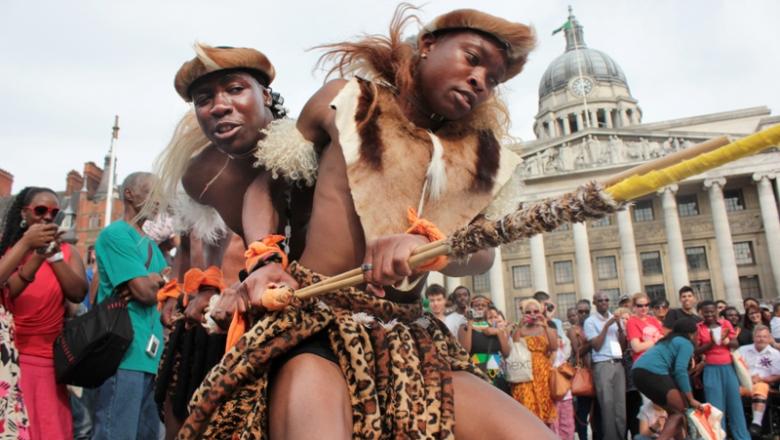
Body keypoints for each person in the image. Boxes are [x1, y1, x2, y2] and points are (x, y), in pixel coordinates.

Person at [179, 6, 554, 439]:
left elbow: (482, 253)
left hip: (411, 336)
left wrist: (432, 247)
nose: (480, 80)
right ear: (428, 45)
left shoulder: (483, 158)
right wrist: (264, 260)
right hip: (315, 321)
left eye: (494, 78)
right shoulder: (346, 99)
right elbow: (267, 185)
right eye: (472, 58)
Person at [0, 186, 88, 439]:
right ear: (24, 214)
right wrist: (29, 245)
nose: (47, 217)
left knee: (51, 430)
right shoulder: (9, 252)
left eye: (54, 212)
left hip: (49, 362)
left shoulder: (68, 253)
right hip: (12, 360)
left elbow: (77, 293)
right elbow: (8, 290)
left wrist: (52, 255)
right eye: (40, 210)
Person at [92, 173, 169, 440]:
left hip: (150, 356)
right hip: (122, 352)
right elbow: (146, 293)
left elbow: (171, 288)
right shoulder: (116, 234)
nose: (157, 200)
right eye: (150, 192)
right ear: (129, 194)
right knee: (116, 433)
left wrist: (156, 281)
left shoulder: (151, 246)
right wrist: (156, 282)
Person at [632, 318, 701, 440]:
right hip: (653, 372)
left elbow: (675, 373)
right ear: (693, 333)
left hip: (637, 373)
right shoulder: (686, 343)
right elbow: (680, 371)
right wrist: (691, 399)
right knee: (680, 411)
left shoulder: (668, 340)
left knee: (675, 412)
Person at [694, 300, 749, 440]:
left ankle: (742, 437)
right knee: (716, 409)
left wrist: (725, 341)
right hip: (711, 370)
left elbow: (735, 343)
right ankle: (719, 437)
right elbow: (696, 350)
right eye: (706, 312)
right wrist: (711, 343)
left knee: (735, 406)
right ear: (701, 313)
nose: (710, 314)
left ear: (717, 312)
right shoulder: (698, 328)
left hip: (728, 368)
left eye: (712, 311)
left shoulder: (725, 324)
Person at [584, 291, 627, 439]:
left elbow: (622, 345)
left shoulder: (614, 318)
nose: (604, 302)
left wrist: (620, 328)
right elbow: (595, 345)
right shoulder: (590, 321)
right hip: (602, 364)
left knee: (620, 407)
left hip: (617, 363)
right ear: (595, 303)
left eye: (606, 300)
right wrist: (606, 327)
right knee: (607, 406)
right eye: (600, 300)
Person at [511, 299, 557, 425]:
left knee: (544, 405)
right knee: (526, 405)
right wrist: (519, 327)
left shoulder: (545, 328)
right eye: (528, 312)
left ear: (541, 311)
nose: (532, 314)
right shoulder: (521, 329)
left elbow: (554, 347)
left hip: (543, 372)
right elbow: (514, 346)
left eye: (536, 311)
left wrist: (545, 324)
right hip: (524, 371)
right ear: (523, 314)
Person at [459, 295, 511, 393]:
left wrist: (499, 332)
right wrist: (470, 323)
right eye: (476, 305)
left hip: (496, 372)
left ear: (488, 308)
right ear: (471, 308)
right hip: (477, 371)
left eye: (484, 305)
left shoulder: (496, 325)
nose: (480, 307)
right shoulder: (464, 327)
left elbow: (507, 353)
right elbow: (466, 351)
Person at [736, 325, 780, 437]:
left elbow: (777, 375)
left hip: (763, 385)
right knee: (731, 391)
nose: (761, 339)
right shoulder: (742, 350)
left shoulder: (775, 354)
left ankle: (756, 424)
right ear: (753, 337)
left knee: (761, 387)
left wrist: (762, 379)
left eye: (764, 337)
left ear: (769, 337)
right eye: (758, 336)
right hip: (743, 384)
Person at [567, 299, 601, 440]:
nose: (583, 314)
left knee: (599, 411)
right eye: (580, 311)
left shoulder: (596, 326)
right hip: (584, 374)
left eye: (586, 311)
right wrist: (593, 340)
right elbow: (578, 351)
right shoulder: (573, 330)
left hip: (599, 371)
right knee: (583, 410)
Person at [626, 292, 664, 361]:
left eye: (646, 305)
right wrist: (656, 340)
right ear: (634, 307)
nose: (644, 308)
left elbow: (664, 339)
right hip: (644, 361)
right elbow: (637, 347)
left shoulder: (653, 319)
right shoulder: (632, 321)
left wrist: (649, 343)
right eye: (640, 306)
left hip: (659, 358)